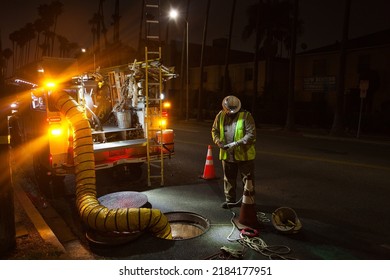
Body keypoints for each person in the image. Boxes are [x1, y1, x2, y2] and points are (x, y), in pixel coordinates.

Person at [211, 95, 256, 209]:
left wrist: (236, 143)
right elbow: (214, 130)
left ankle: (249, 202)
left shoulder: (246, 116)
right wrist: (218, 141)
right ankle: (230, 201)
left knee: (247, 181)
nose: (231, 113)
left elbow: (251, 135)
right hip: (227, 154)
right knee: (229, 179)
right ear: (224, 108)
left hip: (244, 155)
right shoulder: (220, 115)